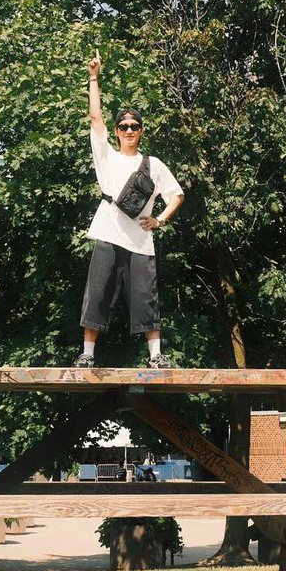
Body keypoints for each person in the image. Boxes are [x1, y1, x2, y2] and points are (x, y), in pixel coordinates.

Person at [76, 50, 184, 369]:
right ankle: (88, 354)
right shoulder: (106, 157)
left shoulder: (153, 164)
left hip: (140, 239)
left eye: (134, 125)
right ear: (118, 130)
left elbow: (177, 195)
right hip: (109, 233)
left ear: (141, 130)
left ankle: (155, 356)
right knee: (97, 293)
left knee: (146, 297)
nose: (128, 130)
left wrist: (160, 220)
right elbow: (95, 118)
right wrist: (94, 78)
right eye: (123, 126)